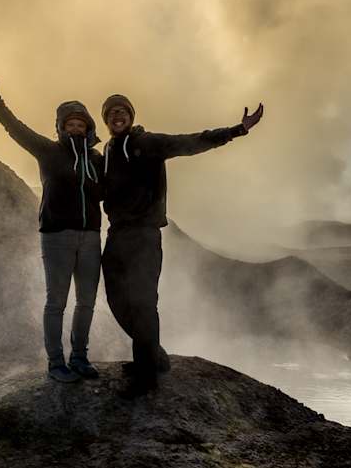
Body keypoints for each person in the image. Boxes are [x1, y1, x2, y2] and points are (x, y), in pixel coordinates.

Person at [99, 93, 264, 392]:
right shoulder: (108, 151)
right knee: (115, 299)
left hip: (145, 234)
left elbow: (190, 142)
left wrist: (236, 130)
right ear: (106, 121)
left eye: (122, 111)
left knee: (144, 302)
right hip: (116, 234)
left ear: (131, 116)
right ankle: (154, 356)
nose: (117, 116)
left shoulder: (148, 143)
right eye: (111, 113)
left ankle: (146, 376)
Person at [0, 72, 104, 383]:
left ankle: (79, 357)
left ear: (89, 128)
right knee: (57, 302)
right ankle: (55, 362)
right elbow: (15, 129)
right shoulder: (48, 151)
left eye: (81, 123)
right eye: (69, 123)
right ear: (61, 127)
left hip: (90, 238)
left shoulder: (97, 158)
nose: (76, 127)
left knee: (86, 301)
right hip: (57, 236)